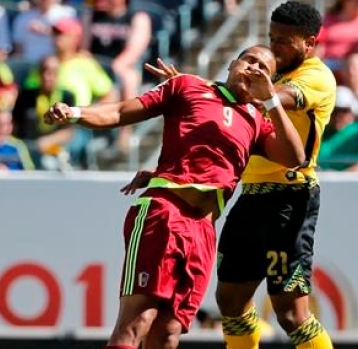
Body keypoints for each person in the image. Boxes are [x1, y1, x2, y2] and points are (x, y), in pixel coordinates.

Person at [43, 45, 306, 349]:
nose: (254, 69)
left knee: (168, 333)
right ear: (232, 63)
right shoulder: (188, 86)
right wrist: (75, 113)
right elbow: (120, 110)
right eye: (249, 60)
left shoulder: (256, 119)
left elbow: (294, 156)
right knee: (137, 321)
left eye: (264, 68)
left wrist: (271, 99)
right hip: (164, 212)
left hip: (203, 230)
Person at [143, 2, 337, 348]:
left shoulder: (316, 76)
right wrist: (195, 89)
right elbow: (241, 95)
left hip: (290, 198)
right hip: (251, 195)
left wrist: (201, 87)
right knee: (230, 300)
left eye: (284, 42)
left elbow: (270, 98)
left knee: (291, 313)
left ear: (309, 43)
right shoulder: (271, 73)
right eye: (271, 38)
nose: (274, 47)